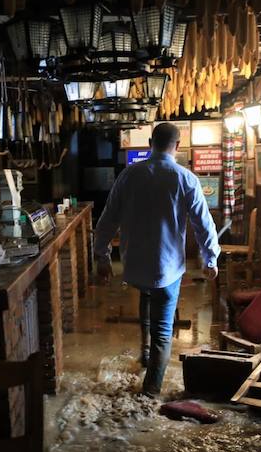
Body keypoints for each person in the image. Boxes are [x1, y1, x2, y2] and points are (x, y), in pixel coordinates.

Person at [94, 123, 220, 397]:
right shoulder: (185, 178)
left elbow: (107, 220)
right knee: (163, 327)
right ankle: (151, 391)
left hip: (136, 265)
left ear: (150, 142)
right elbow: (203, 224)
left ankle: (145, 354)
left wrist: (102, 257)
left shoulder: (129, 175)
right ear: (178, 145)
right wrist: (210, 258)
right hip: (167, 267)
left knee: (147, 296)